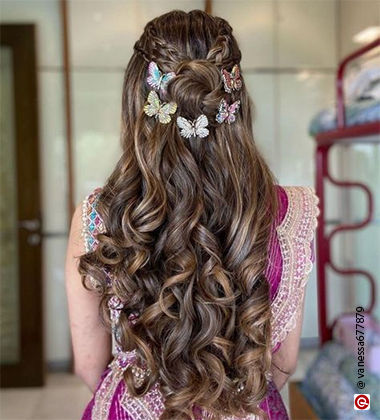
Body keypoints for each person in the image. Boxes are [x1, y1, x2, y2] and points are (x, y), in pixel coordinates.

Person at [65, 9, 320, 420]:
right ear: (235, 102)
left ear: (137, 104)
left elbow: (88, 365)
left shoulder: (97, 215)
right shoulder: (292, 212)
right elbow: (283, 362)